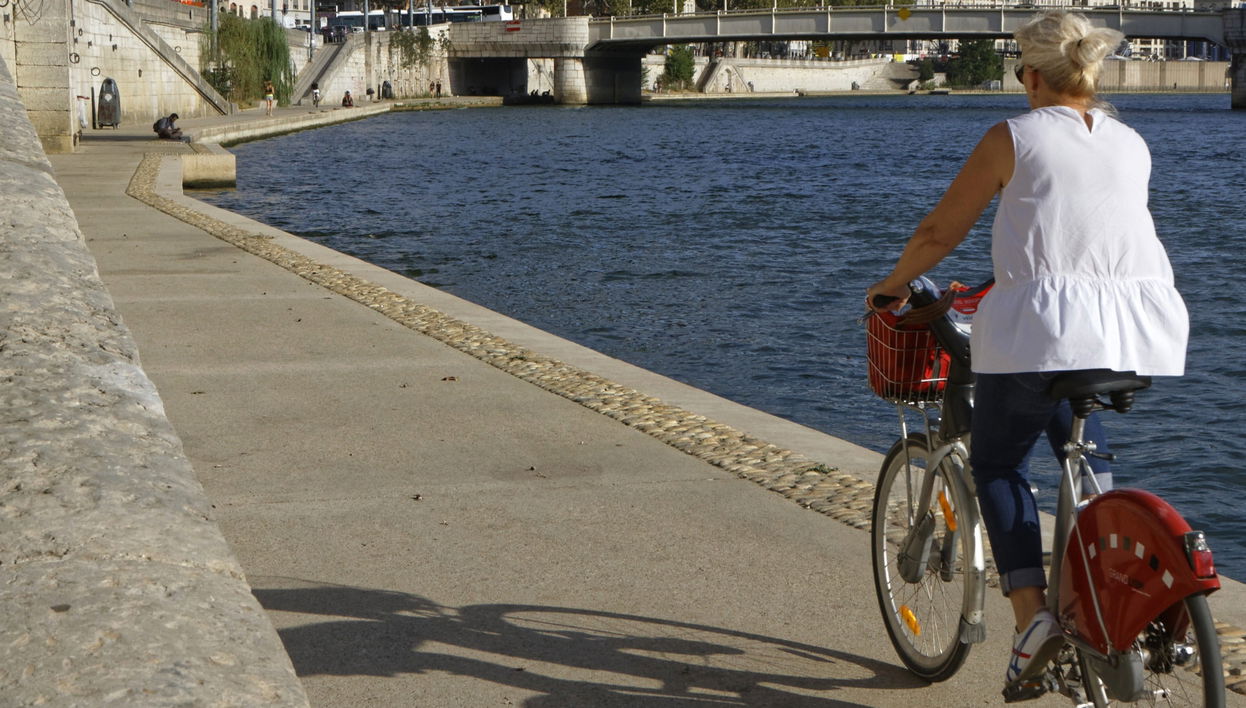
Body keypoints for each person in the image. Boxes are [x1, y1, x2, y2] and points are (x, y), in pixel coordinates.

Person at [865, 10, 1188, 692]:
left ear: (1034, 76)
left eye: (1019, 71)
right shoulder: (1130, 143)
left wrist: (890, 287)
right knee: (1088, 461)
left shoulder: (1012, 137)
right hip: (1131, 332)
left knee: (997, 462)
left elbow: (939, 233)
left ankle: (1032, 619)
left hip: (1042, 332)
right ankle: (1105, 596)